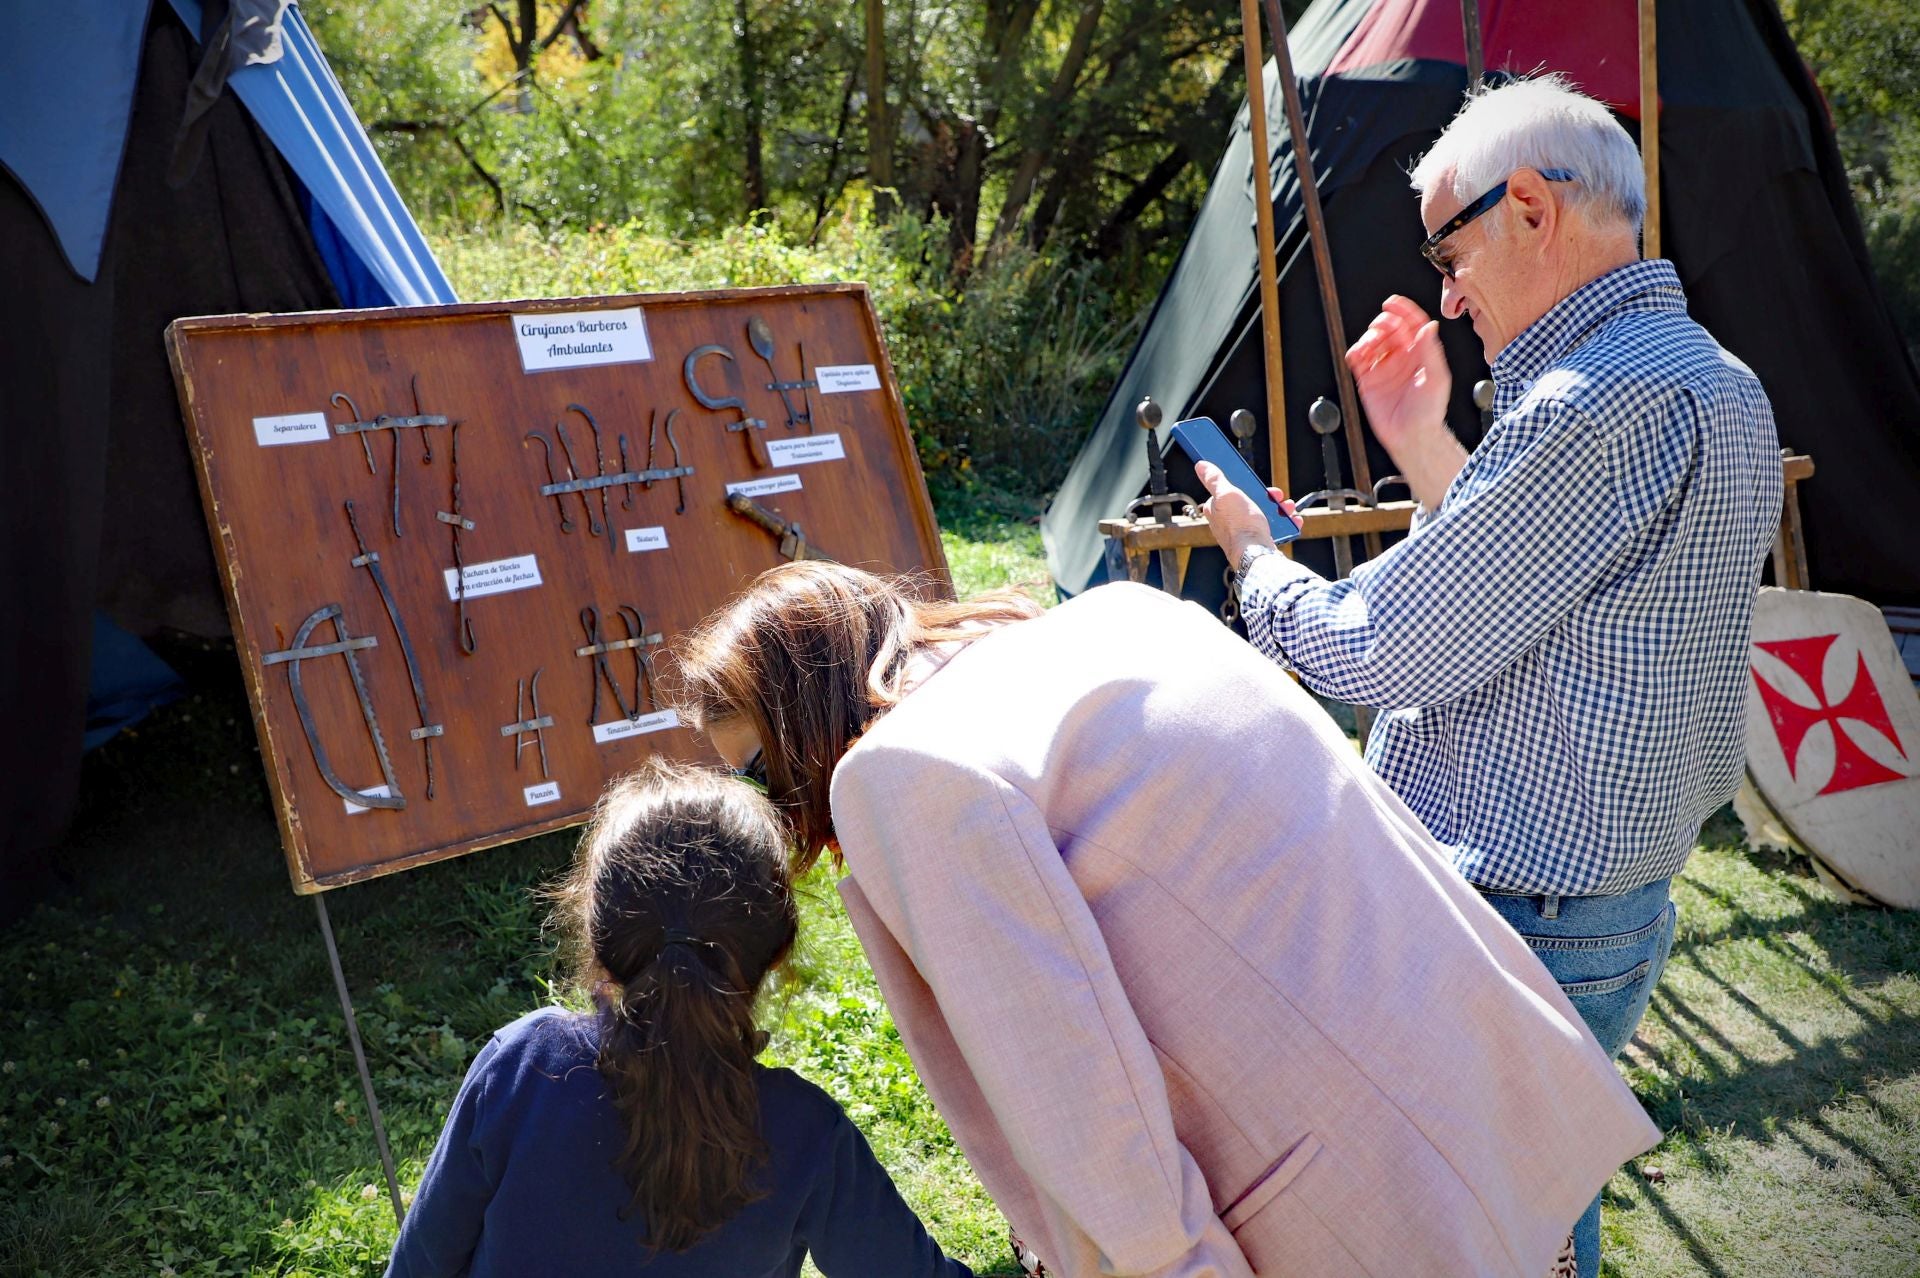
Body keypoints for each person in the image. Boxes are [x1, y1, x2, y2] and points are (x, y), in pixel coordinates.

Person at [675, 560, 1660, 1277]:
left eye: (758, 767)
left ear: (801, 723)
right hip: (1480, 1091)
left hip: (1340, 1216)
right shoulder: (1121, 615)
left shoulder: (906, 774)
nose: (770, 804)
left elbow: (1080, 1100)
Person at [1196, 75, 1783, 1276]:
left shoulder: (1589, 400)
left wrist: (1255, 565)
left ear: (1529, 207)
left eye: (1446, 251)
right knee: (1528, 1205)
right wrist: (1423, 439)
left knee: (1472, 1232)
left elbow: (1386, 645)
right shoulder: (1718, 378)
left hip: (1521, 917)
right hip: (1605, 906)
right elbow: (1538, 605)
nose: (1447, 297)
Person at [385, 759, 973, 1278]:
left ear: (600, 939)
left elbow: (417, 1267)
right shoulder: (806, 1132)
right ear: (776, 954)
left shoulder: (521, 1070)